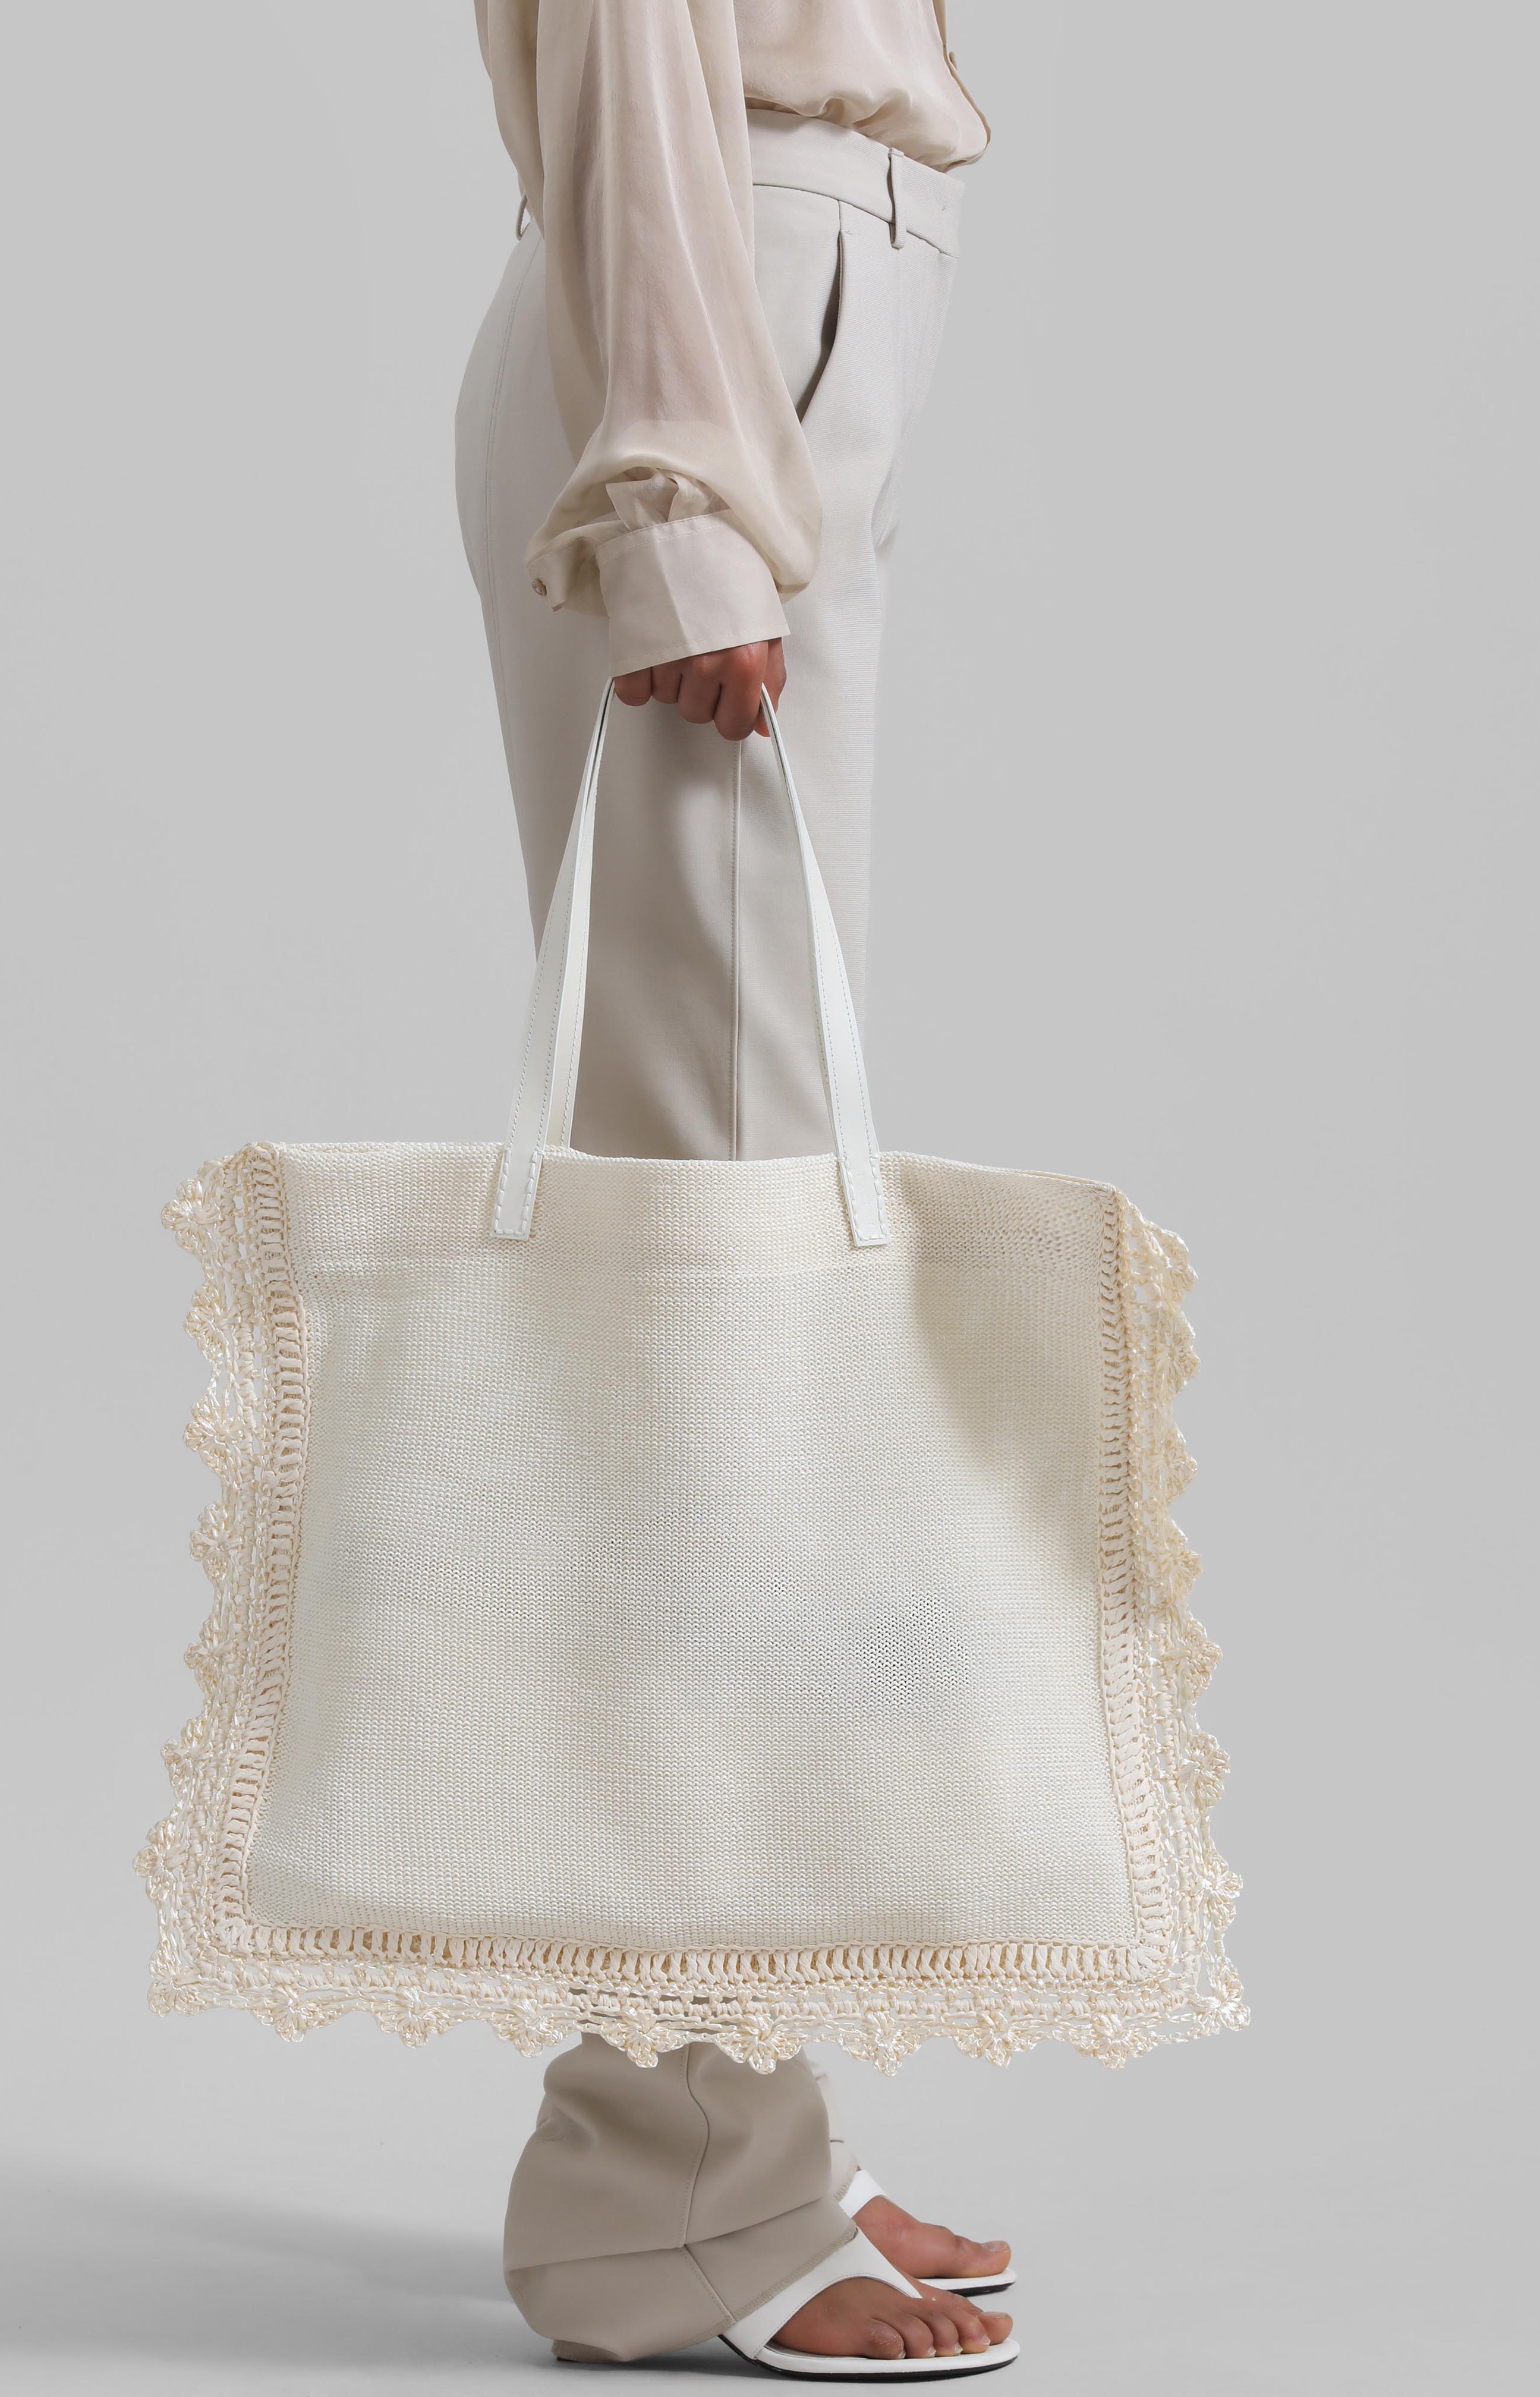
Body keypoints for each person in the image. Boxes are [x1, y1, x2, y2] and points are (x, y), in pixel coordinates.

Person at [458, 4, 1014, 2374]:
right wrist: (680, 489)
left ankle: (726, 2108)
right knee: (721, 1310)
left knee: (749, 1291)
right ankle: (668, 2180)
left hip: (762, 312)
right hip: (701, 342)